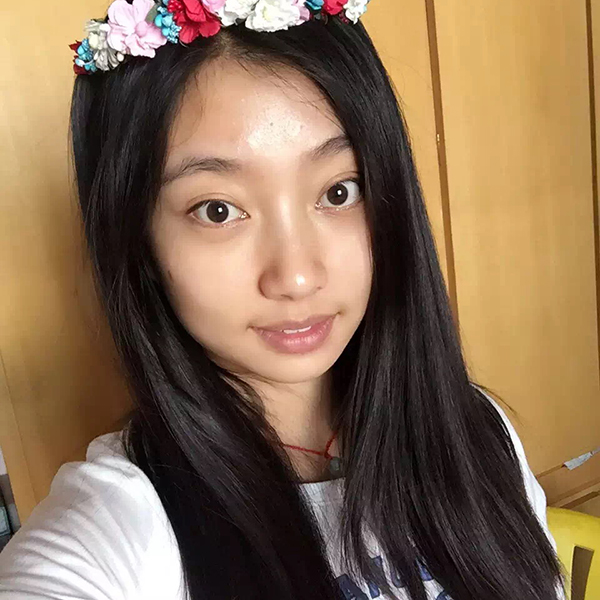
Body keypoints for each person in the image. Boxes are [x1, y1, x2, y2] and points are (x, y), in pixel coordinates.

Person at [0, 0, 568, 598]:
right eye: (217, 210)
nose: (296, 277)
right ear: (137, 237)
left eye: (339, 191)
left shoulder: (477, 432)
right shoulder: (125, 522)